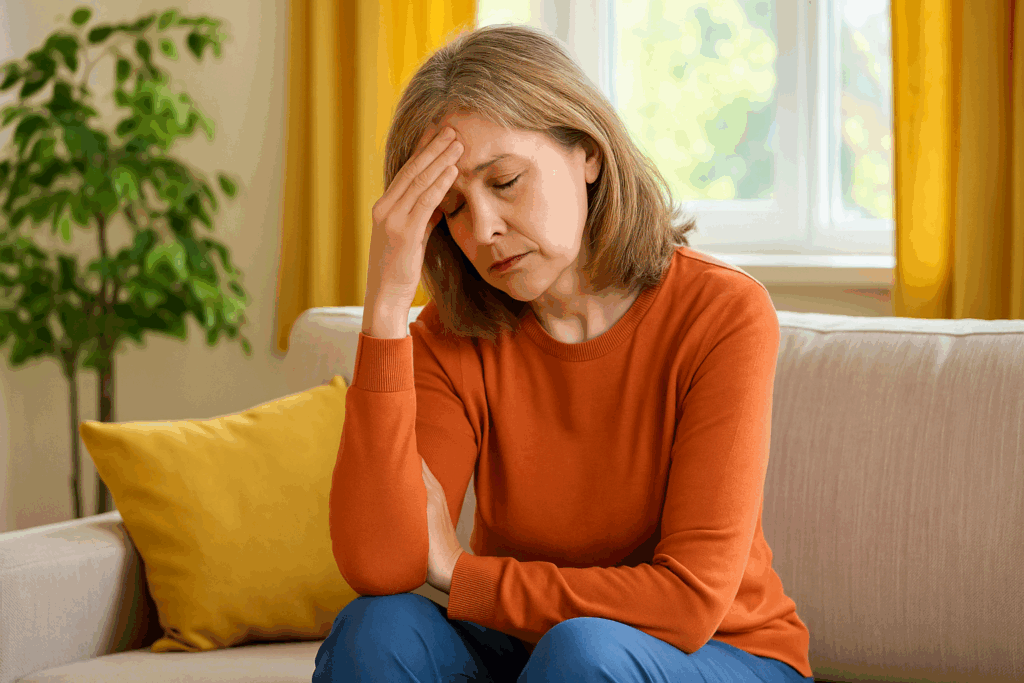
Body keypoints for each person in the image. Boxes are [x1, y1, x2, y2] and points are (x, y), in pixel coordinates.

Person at [313, 23, 815, 683]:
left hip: (722, 654)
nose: (483, 228)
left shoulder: (722, 312)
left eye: (506, 181)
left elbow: (689, 602)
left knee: (582, 653)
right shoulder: (451, 335)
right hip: (531, 650)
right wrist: (384, 311)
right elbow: (382, 565)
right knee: (374, 629)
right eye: (454, 209)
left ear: (587, 153)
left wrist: (460, 573)